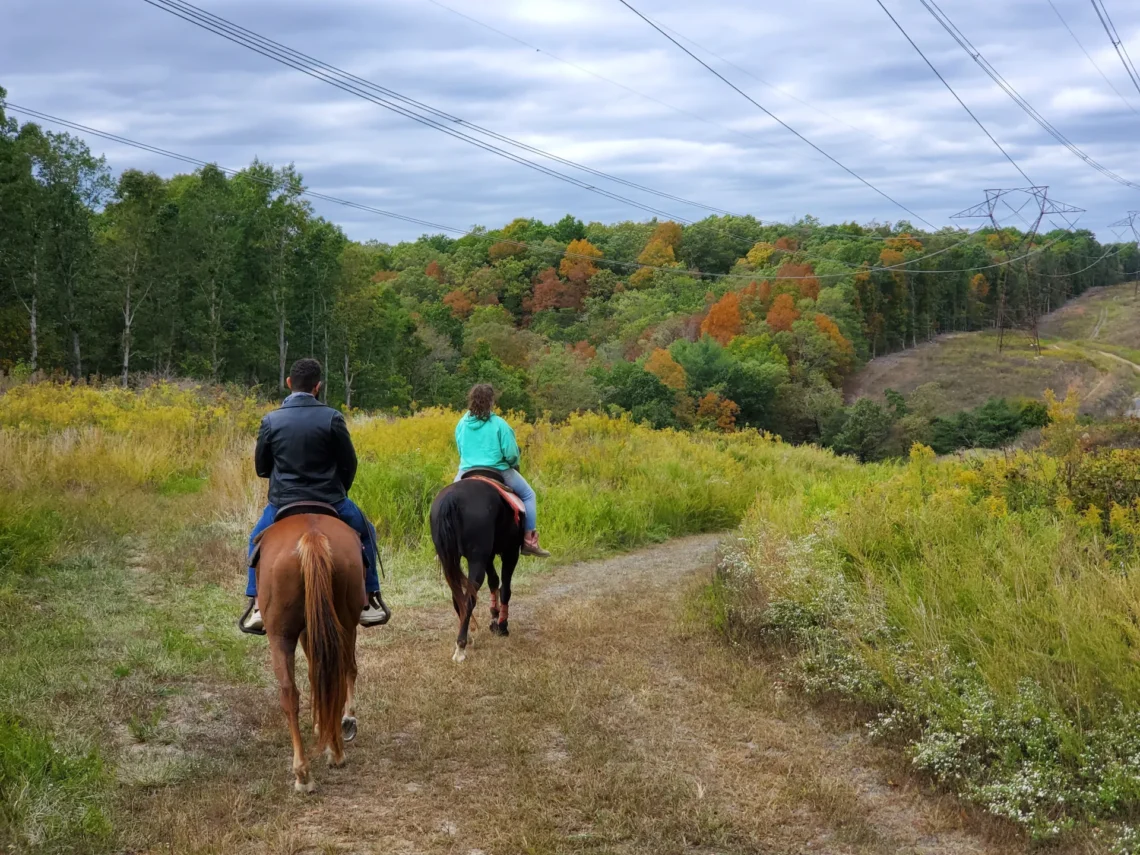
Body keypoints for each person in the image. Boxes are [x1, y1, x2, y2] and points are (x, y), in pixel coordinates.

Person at [239, 357, 388, 634]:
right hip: (330, 499)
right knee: (367, 533)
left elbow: (261, 468)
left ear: (288, 384)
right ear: (318, 386)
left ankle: (257, 605)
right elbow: (349, 463)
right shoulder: (332, 417)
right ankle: (369, 600)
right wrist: (339, 489)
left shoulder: (270, 420)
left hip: (283, 503)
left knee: (255, 540)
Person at [454, 383, 550, 558]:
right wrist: (513, 463)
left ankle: (448, 544)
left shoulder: (461, 424)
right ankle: (529, 541)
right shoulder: (499, 424)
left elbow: (460, 449)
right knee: (529, 495)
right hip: (498, 471)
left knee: (450, 500)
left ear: (472, 400)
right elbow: (512, 454)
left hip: (466, 471)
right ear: (491, 402)